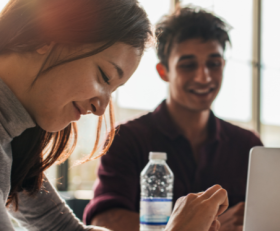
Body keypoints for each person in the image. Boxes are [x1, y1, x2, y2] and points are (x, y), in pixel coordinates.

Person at [0, 0, 228, 230]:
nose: (100, 109)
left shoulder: (15, 142)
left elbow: (64, 228)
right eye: (104, 76)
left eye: (113, 90)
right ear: (46, 34)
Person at [84, 7, 263, 231]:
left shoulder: (247, 145)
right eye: (188, 65)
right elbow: (104, 221)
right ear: (163, 72)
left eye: (214, 64)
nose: (203, 76)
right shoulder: (127, 139)